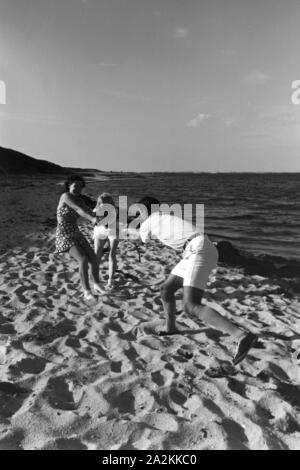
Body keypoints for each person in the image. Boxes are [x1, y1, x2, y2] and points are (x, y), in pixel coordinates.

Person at [137, 196, 257, 366]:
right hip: (196, 248)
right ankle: (170, 327)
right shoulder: (165, 217)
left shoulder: (149, 221)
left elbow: (144, 239)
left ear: (143, 210)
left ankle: (242, 336)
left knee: (190, 306)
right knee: (166, 289)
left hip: (197, 249)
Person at [55, 175, 106, 301]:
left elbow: (90, 212)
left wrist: (102, 207)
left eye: (80, 186)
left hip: (76, 232)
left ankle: (97, 284)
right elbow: (78, 210)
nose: (78, 188)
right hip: (64, 234)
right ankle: (87, 291)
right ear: (69, 185)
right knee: (83, 260)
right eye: (75, 185)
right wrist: (92, 219)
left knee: (94, 259)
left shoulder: (81, 200)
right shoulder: (65, 196)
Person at [93, 192, 119, 290]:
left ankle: (111, 280)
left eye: (107, 202)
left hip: (113, 231)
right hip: (100, 231)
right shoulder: (96, 209)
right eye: (102, 202)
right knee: (97, 252)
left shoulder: (115, 210)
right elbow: (95, 221)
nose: (104, 204)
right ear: (99, 203)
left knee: (112, 253)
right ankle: (96, 277)